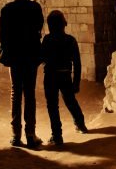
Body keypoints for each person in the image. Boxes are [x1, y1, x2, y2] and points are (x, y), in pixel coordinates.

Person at [0, 0, 44, 148]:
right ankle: (30, 134)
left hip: (15, 55)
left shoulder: (7, 9)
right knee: (29, 93)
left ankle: (15, 135)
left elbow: (3, 35)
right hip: (31, 54)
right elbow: (38, 28)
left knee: (15, 92)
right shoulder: (35, 8)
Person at [41, 10, 87, 146]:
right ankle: (80, 124)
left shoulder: (47, 40)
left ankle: (57, 135)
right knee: (70, 101)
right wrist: (76, 82)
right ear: (64, 24)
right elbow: (77, 63)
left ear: (49, 25)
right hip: (65, 75)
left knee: (52, 106)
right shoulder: (71, 40)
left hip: (50, 76)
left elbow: (42, 57)